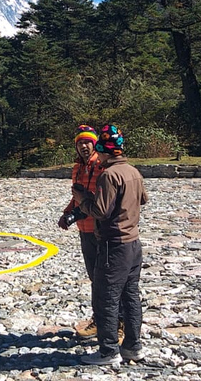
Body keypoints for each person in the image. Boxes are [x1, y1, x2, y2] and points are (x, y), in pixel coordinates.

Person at [74, 124, 148, 366]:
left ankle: (108, 351)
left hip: (112, 244)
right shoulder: (133, 171)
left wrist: (82, 200)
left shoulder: (109, 175)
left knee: (106, 296)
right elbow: (144, 199)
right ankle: (133, 347)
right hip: (133, 243)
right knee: (130, 295)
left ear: (103, 150)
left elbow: (100, 211)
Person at [57, 124, 104, 339]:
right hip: (84, 231)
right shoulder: (77, 169)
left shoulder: (103, 166)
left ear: (95, 144)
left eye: (87, 142)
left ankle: (117, 323)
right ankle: (100, 319)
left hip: (101, 230)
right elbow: (76, 197)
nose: (84, 146)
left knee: (108, 279)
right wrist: (67, 213)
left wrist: (77, 211)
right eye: (80, 143)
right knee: (94, 278)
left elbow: (98, 200)